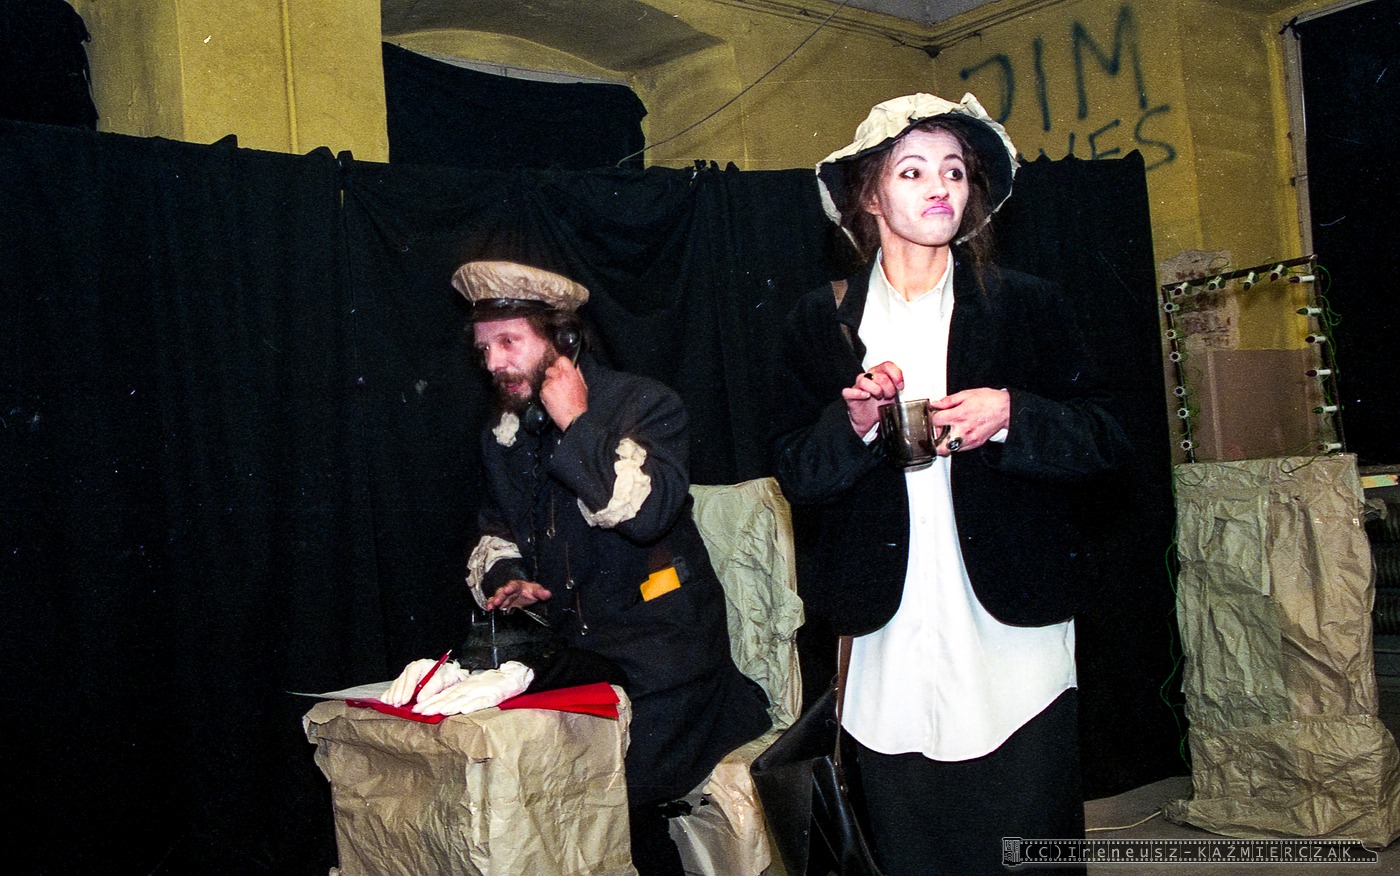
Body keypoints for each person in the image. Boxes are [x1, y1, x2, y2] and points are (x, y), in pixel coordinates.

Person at [771, 93, 1132, 875]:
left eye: (955, 171)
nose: (939, 186)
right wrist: (853, 425)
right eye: (911, 171)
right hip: (886, 635)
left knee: (1025, 843)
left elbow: (1107, 437)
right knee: (907, 845)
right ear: (870, 196)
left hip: (1011, 633)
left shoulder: (1026, 304)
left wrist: (1012, 415)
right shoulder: (823, 322)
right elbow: (798, 471)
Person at [449, 259, 770, 875]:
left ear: (564, 341)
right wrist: (508, 577)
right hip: (580, 655)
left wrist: (578, 422)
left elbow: (646, 516)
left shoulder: (646, 404)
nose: (493, 363)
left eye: (509, 342)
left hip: (665, 665)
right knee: (510, 765)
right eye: (484, 348)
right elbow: (495, 527)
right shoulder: (505, 433)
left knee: (599, 786)